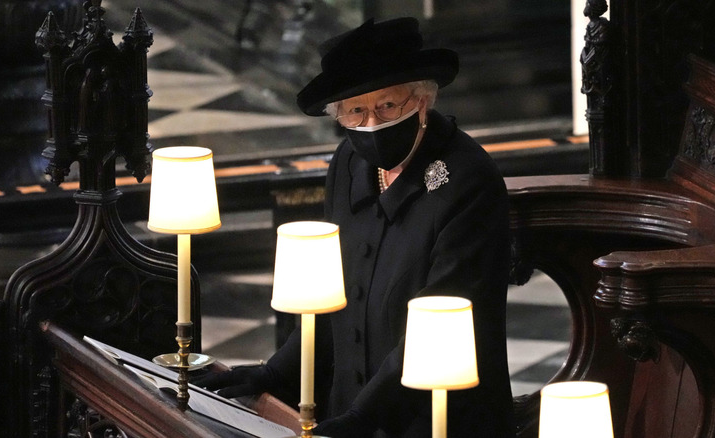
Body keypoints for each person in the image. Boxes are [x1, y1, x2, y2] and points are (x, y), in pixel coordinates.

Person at [195, 17, 516, 437]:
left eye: (387, 105)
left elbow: (439, 328)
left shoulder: (467, 180)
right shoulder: (348, 163)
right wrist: (273, 374)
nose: (371, 124)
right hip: (348, 416)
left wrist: (365, 418)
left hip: (436, 421)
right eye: (355, 111)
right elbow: (334, 298)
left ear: (421, 99)